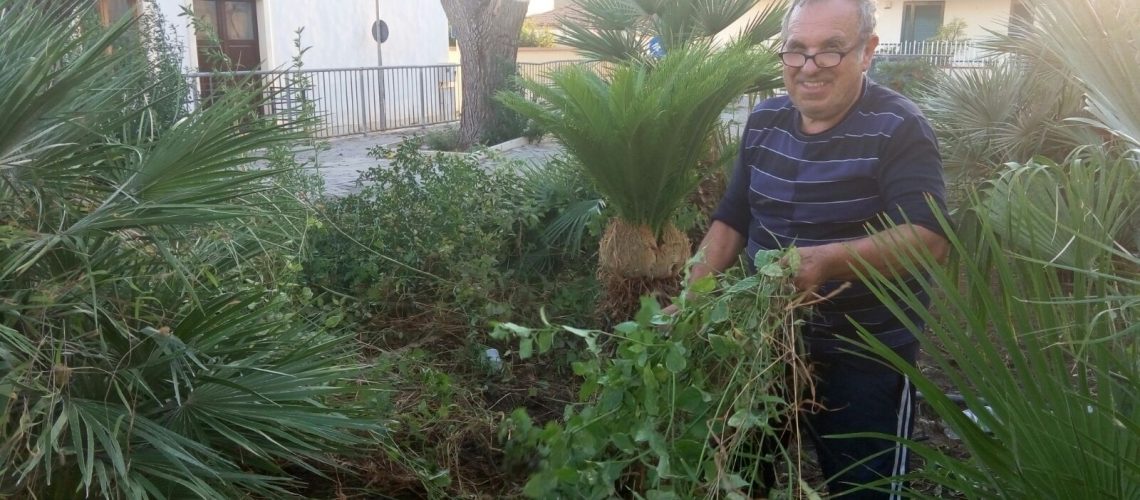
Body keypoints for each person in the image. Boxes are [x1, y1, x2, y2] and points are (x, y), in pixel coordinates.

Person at [687, 0, 950, 497]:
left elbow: (930, 237)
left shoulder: (899, 127)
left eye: (831, 50)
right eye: (797, 51)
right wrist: (692, 294)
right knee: (736, 481)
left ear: (867, 52)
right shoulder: (763, 121)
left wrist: (827, 262)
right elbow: (732, 217)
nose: (810, 67)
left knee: (865, 490)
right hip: (761, 346)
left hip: (864, 354)